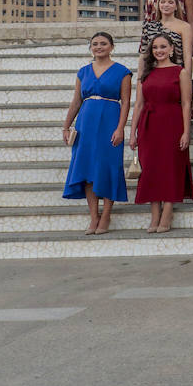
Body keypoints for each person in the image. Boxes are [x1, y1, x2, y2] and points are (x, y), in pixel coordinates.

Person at [61, 32, 132, 235]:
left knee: (108, 168)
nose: (99, 47)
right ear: (90, 47)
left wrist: (120, 128)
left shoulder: (122, 72)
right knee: (87, 170)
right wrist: (66, 126)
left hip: (110, 121)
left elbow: (126, 102)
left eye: (103, 43)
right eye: (95, 44)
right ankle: (93, 217)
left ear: (112, 47)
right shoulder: (83, 72)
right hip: (86, 124)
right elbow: (76, 101)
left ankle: (107, 215)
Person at [129, 33, 193, 233]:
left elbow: (186, 103)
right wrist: (132, 132)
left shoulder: (180, 72)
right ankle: (154, 214)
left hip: (172, 122)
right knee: (150, 169)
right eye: (155, 47)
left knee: (170, 167)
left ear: (172, 49)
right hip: (149, 125)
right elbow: (138, 104)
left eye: (163, 47)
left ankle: (167, 212)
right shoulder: (145, 73)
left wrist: (186, 132)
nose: (159, 51)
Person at [141, 0, 193, 68]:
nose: (166, 5)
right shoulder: (148, 26)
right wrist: (139, 78)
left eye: (170, 2)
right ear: (158, 5)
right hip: (152, 72)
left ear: (176, 7)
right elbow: (143, 55)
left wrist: (187, 78)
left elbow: (187, 57)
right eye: (163, 2)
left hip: (175, 71)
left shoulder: (185, 27)